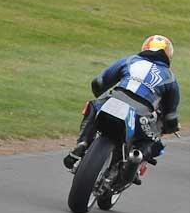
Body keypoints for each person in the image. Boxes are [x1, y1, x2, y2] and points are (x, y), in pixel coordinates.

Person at [64, 35, 181, 171]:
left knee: (93, 106)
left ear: (145, 48)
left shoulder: (130, 60)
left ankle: (83, 143)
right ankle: (134, 160)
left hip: (113, 100)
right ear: (168, 56)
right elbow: (171, 116)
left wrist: (100, 94)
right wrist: (170, 127)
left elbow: (98, 82)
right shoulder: (170, 78)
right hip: (141, 116)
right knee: (155, 144)